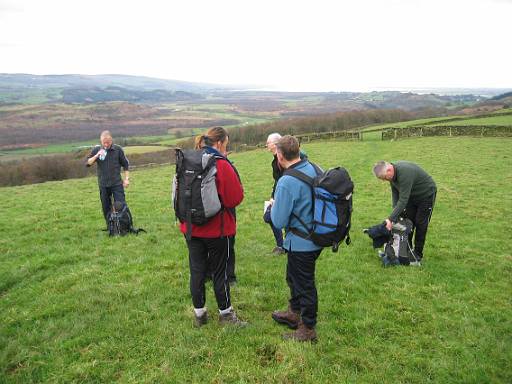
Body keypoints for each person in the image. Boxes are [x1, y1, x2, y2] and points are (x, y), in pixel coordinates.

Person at [182, 126, 246, 327]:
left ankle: (200, 316)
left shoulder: (187, 161)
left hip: (191, 228)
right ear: (219, 144)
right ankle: (226, 315)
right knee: (220, 272)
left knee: (197, 271)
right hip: (218, 230)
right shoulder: (221, 164)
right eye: (225, 144)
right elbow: (235, 198)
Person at [270, 135, 322, 342]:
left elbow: (279, 220)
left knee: (304, 284)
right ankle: (294, 312)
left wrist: (271, 207)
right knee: (293, 277)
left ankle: (308, 328)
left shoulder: (287, 181)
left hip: (302, 242)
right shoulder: (312, 167)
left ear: (280, 156)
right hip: (315, 234)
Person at [373, 160, 437, 261]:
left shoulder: (404, 173)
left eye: (384, 178)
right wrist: (395, 213)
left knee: (420, 224)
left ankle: (417, 254)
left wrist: (390, 219)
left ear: (389, 170)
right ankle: (406, 250)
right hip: (412, 195)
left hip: (426, 195)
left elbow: (403, 200)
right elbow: (395, 195)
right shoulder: (392, 176)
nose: (384, 180)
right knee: (408, 221)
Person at [86, 130, 130, 227]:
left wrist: (127, 179)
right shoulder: (97, 149)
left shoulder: (118, 149)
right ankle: (111, 226)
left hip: (117, 184)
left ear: (111, 140)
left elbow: (126, 165)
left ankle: (125, 225)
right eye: (104, 142)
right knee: (106, 207)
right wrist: (96, 155)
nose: (106, 144)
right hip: (103, 184)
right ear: (101, 141)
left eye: (108, 142)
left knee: (121, 204)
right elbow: (88, 163)